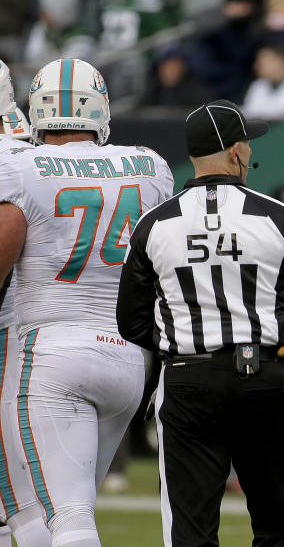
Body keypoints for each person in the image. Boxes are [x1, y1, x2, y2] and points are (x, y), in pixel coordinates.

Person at [115, 99, 284, 547]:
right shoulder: (278, 216)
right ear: (236, 152)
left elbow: (130, 319)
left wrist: (180, 348)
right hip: (262, 376)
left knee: (190, 532)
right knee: (277, 527)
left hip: (186, 380)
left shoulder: (154, 223)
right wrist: (276, 346)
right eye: (247, 145)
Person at [0, 58, 173, 547]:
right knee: (65, 514)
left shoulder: (19, 166)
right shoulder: (149, 164)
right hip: (126, 358)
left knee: (62, 518)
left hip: (51, 354)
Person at [0, 62, 51, 547]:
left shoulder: (8, 161)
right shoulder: (29, 148)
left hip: (7, 327)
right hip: (41, 321)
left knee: (14, 495)